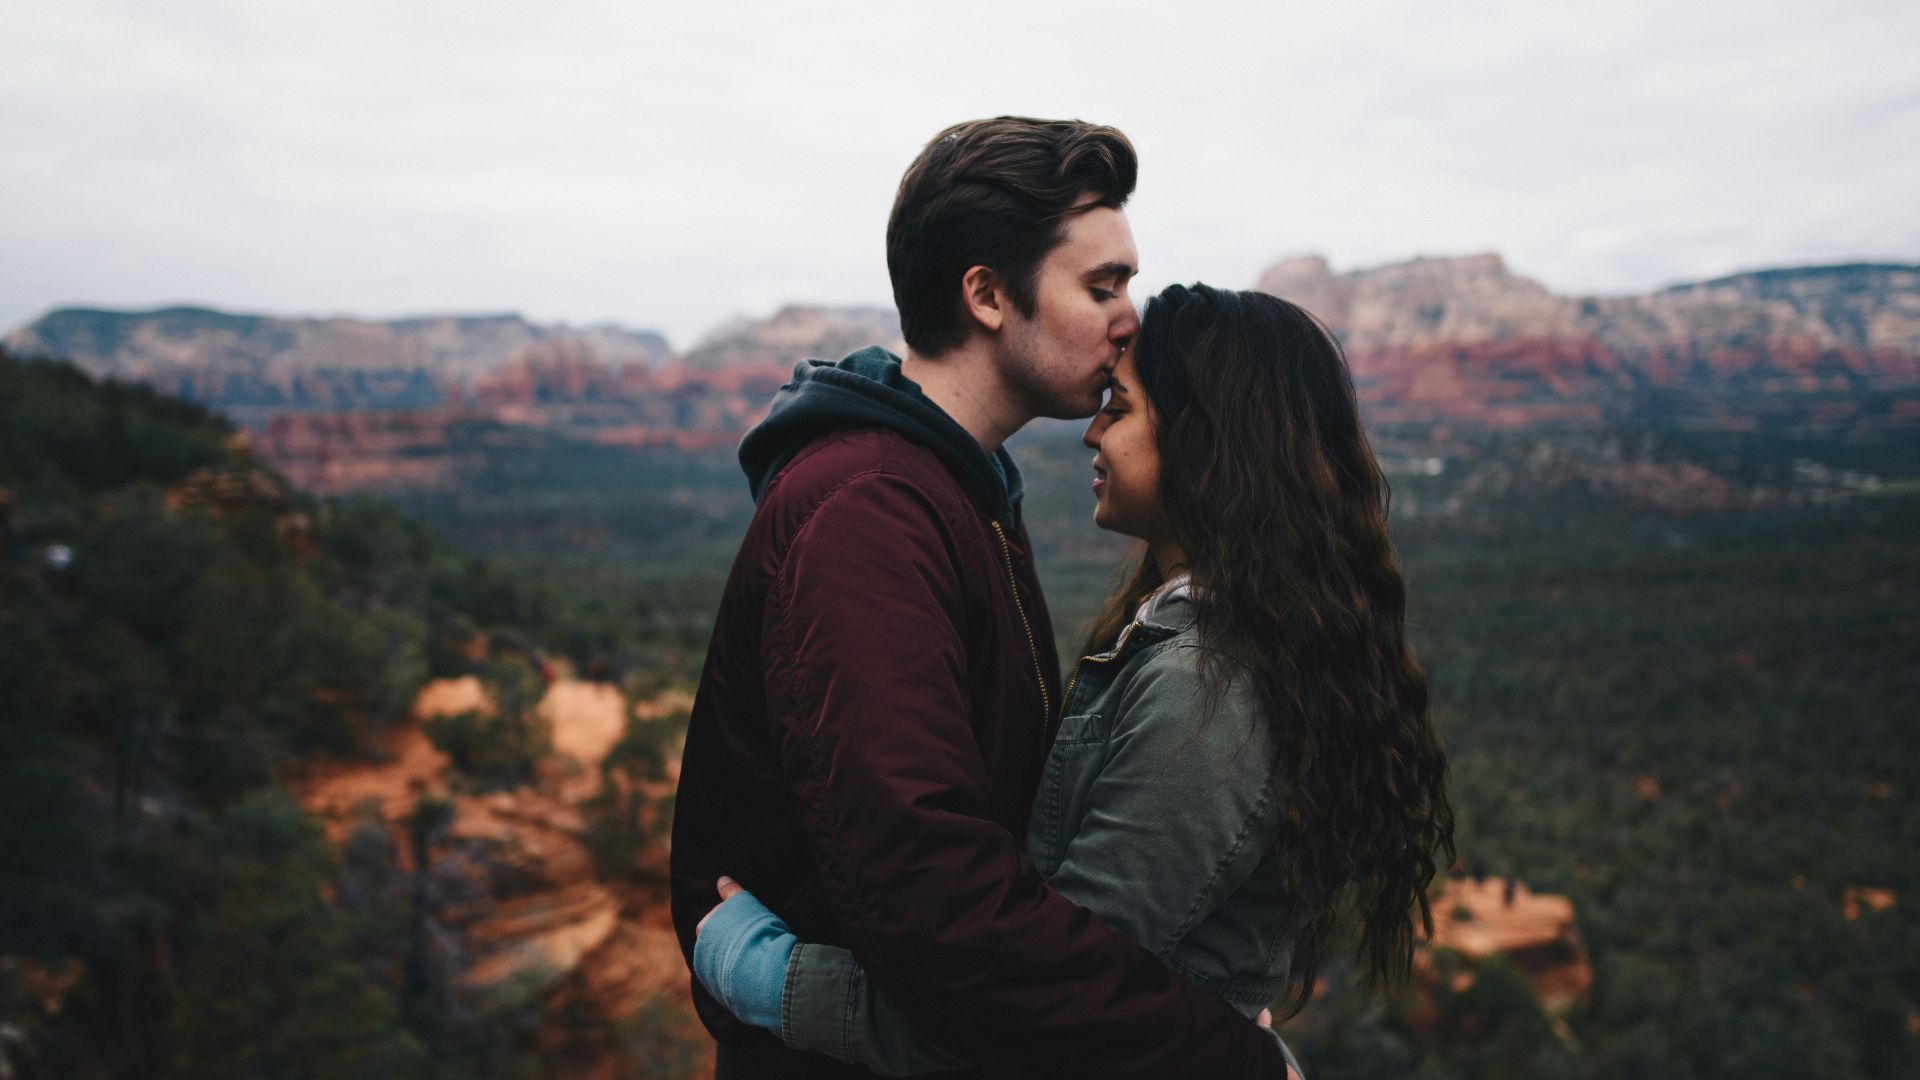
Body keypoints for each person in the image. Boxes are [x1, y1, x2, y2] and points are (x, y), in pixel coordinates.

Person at [693, 283, 1458, 1077]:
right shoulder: (1191, 640)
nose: (1091, 432)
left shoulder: (1207, 687)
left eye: (1119, 410)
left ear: (1209, 442)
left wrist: (777, 980)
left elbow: (1039, 1013)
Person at [668, 120, 1297, 1078]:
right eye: (1102, 285)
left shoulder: (962, 489)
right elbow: (939, 903)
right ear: (989, 295)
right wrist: (1223, 1060)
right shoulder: (872, 510)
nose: (1131, 317)